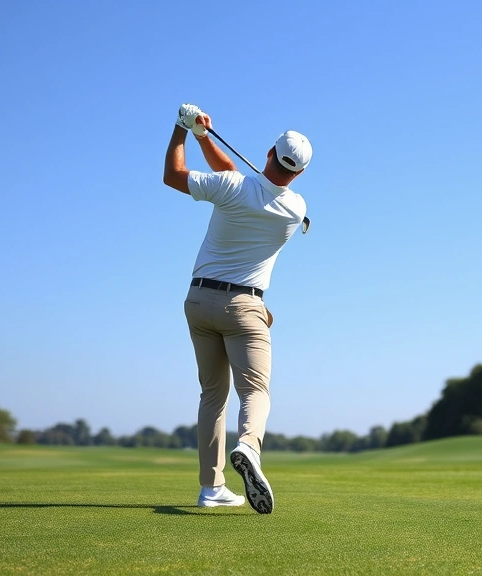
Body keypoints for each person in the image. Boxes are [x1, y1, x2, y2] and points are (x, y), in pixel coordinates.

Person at [162, 103, 311, 514]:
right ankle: (248, 445)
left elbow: (174, 176)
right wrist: (203, 136)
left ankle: (212, 488)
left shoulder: (232, 188)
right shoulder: (294, 210)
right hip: (245, 308)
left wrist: (184, 130)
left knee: (213, 395)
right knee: (255, 391)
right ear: (299, 173)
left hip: (198, 301)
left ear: (267, 152)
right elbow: (234, 174)